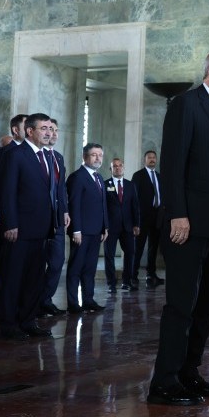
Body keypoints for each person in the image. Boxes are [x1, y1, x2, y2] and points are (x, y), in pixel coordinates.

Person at [149, 49, 209, 406]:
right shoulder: (186, 105)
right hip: (187, 226)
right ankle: (164, 381)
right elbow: (173, 164)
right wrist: (177, 214)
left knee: (205, 306)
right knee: (181, 305)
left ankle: (189, 372)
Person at [0, 113, 66, 340]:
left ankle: (28, 321)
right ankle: (9, 324)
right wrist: (11, 223)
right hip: (19, 230)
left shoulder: (49, 157)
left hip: (43, 229)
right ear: (30, 131)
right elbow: (7, 192)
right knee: (13, 278)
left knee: (34, 280)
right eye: (44, 128)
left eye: (50, 129)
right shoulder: (15, 155)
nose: (49, 133)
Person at [65, 143, 109, 313]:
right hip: (81, 232)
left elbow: (103, 205)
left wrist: (105, 227)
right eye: (93, 155)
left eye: (100, 155)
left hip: (96, 231)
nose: (98, 158)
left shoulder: (99, 178)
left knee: (90, 268)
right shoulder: (77, 177)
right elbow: (74, 205)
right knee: (76, 267)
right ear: (84, 157)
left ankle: (89, 300)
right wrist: (76, 230)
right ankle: (73, 303)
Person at [37, 118, 69, 317]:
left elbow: (61, 188)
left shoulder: (58, 157)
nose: (53, 134)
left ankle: (45, 299)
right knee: (37, 264)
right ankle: (34, 301)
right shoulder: (35, 156)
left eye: (56, 131)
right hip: (39, 219)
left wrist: (65, 210)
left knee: (57, 262)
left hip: (57, 220)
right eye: (49, 130)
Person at [104, 157, 141, 292]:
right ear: (111, 169)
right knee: (109, 255)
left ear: (123, 168)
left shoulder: (131, 185)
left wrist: (137, 224)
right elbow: (103, 207)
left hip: (128, 226)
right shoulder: (105, 184)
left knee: (130, 253)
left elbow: (135, 206)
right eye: (115, 166)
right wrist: (104, 226)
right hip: (111, 227)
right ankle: (111, 284)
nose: (118, 168)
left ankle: (127, 282)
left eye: (120, 166)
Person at [131, 149, 164, 288]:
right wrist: (135, 220)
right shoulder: (138, 176)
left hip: (157, 217)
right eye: (149, 157)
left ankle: (151, 274)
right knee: (138, 247)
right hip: (142, 217)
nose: (152, 159)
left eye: (154, 157)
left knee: (153, 247)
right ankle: (133, 275)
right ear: (144, 160)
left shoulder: (159, 176)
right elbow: (133, 199)